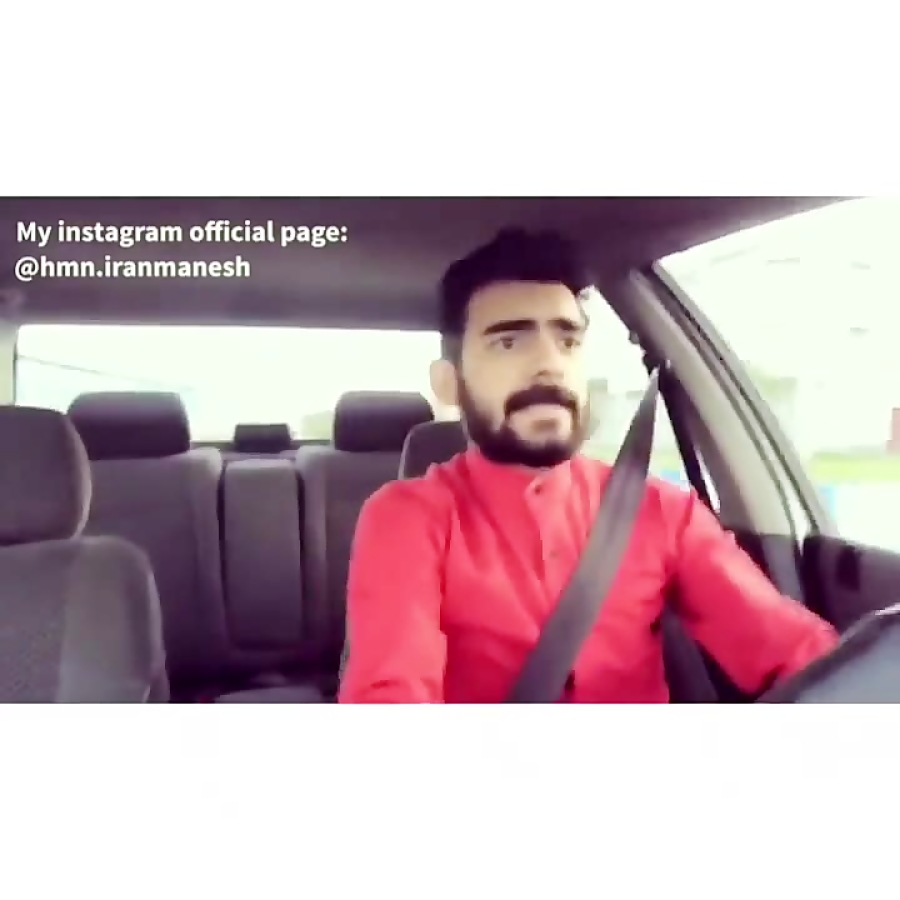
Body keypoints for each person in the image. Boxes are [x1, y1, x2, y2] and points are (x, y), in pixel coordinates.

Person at [338, 228, 839, 703]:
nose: (550, 364)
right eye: (509, 342)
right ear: (449, 384)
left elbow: (799, 654)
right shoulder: (408, 517)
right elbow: (391, 696)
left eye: (568, 341)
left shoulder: (662, 512)